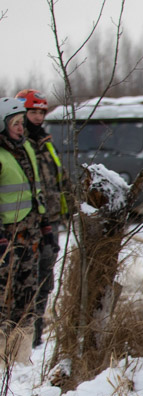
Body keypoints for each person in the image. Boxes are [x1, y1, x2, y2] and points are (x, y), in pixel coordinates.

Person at [15, 89, 66, 347]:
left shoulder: (46, 142)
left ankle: (35, 335)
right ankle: (20, 335)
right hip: (26, 222)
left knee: (45, 278)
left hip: (52, 220)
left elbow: (59, 177)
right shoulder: (15, 143)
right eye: (32, 111)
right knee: (25, 279)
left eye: (41, 112)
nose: (37, 117)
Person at [0, 97, 48, 362]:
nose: (21, 128)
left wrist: (46, 226)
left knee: (26, 297)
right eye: (15, 124)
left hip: (30, 236)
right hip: (6, 239)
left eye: (21, 123)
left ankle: (19, 359)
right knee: (2, 299)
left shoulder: (27, 149)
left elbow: (37, 190)